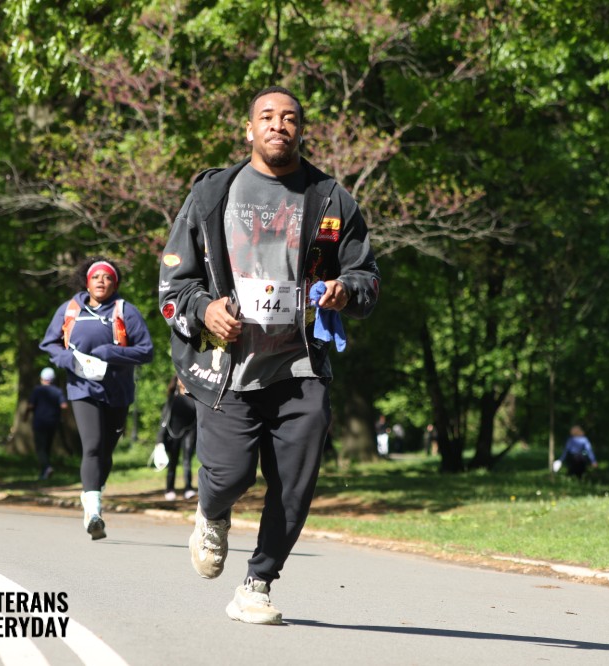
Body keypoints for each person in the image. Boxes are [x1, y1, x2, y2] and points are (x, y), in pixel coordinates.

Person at [158, 86, 380, 624]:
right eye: (267, 116)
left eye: (289, 118)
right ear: (249, 129)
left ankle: (257, 584)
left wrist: (345, 290)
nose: (278, 125)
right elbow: (173, 286)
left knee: (295, 483)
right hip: (227, 366)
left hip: (301, 365)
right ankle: (211, 512)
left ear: (300, 130)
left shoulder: (330, 199)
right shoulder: (213, 193)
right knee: (230, 476)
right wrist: (206, 309)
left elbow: (367, 278)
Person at [41, 256, 154, 540]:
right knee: (91, 446)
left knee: (105, 451)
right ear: (87, 282)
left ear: (115, 284)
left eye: (107, 278)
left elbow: (146, 351)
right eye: (96, 277)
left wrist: (110, 352)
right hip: (82, 388)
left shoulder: (125, 311)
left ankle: (91, 493)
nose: (101, 281)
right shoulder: (70, 309)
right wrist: (68, 359)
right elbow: (50, 344)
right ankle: (93, 511)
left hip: (118, 391)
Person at [157, 377, 197, 501]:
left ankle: (188, 488)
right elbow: (164, 418)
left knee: (187, 461)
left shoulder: (194, 397)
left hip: (189, 432)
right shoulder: (172, 398)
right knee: (172, 462)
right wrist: (159, 439)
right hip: (173, 434)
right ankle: (170, 489)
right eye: (180, 378)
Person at [26, 367, 68, 480]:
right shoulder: (58, 391)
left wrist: (25, 415)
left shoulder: (37, 390)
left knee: (40, 448)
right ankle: (44, 472)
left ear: (42, 378)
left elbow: (31, 405)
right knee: (47, 447)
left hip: (39, 422)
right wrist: (62, 417)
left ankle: (46, 467)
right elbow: (64, 406)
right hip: (53, 422)